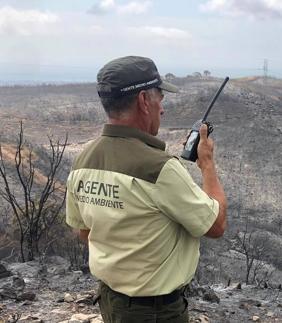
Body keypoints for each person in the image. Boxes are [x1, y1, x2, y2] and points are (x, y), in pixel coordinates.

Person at [65, 56, 227, 322]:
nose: (161, 109)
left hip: (110, 303)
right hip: (156, 312)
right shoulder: (160, 168)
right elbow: (216, 224)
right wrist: (207, 164)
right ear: (143, 101)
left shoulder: (83, 160)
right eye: (160, 98)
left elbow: (84, 231)